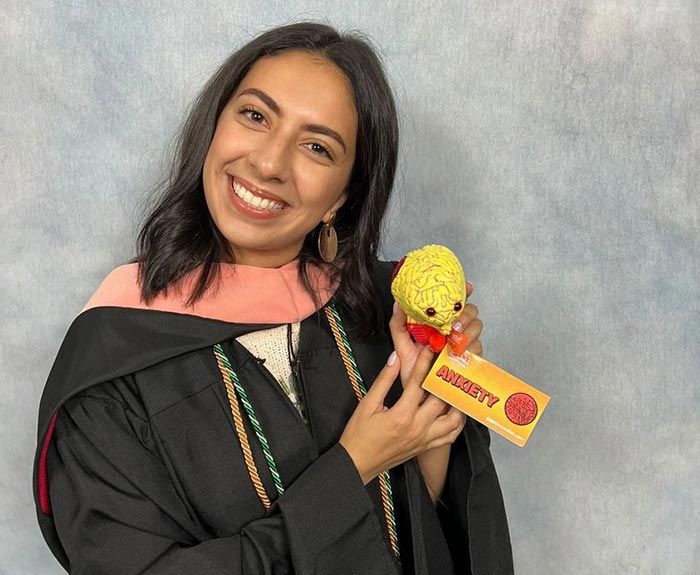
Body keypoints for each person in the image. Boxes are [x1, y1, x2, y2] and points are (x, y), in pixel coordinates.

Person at [32, 21, 513, 575]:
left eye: (317, 147)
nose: (268, 164)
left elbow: (425, 540)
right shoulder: (112, 357)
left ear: (344, 195)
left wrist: (432, 408)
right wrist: (352, 467)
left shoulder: (378, 311)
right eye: (255, 116)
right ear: (214, 127)